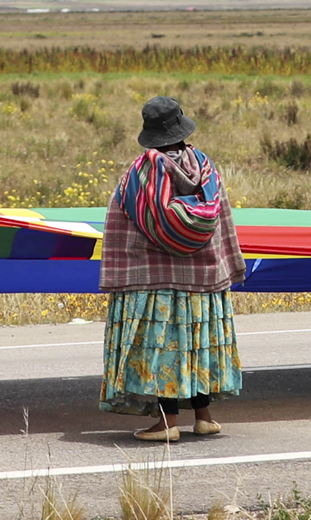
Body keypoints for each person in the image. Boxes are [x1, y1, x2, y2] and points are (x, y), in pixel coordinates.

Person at [98, 95, 244, 439]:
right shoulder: (206, 169)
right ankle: (204, 417)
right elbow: (222, 220)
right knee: (195, 344)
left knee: (161, 346)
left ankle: (167, 423)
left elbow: (127, 217)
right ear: (181, 129)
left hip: (154, 280)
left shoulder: (142, 172)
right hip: (202, 278)